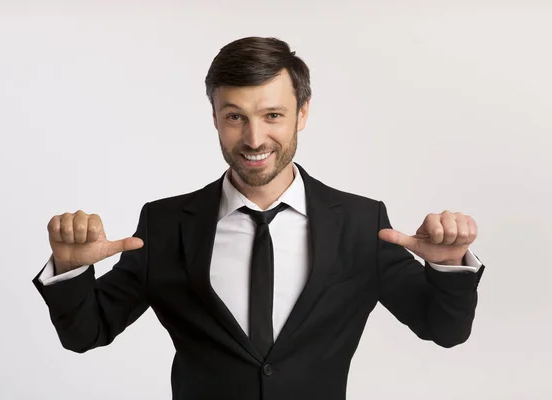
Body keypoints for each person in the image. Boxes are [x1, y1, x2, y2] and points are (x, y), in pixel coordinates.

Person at [32, 36, 485, 400]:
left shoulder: (361, 222)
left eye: (273, 115)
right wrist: (71, 270)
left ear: (301, 114)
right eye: (235, 117)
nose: (254, 138)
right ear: (214, 118)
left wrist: (447, 265)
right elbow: (85, 333)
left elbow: (443, 330)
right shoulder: (164, 224)